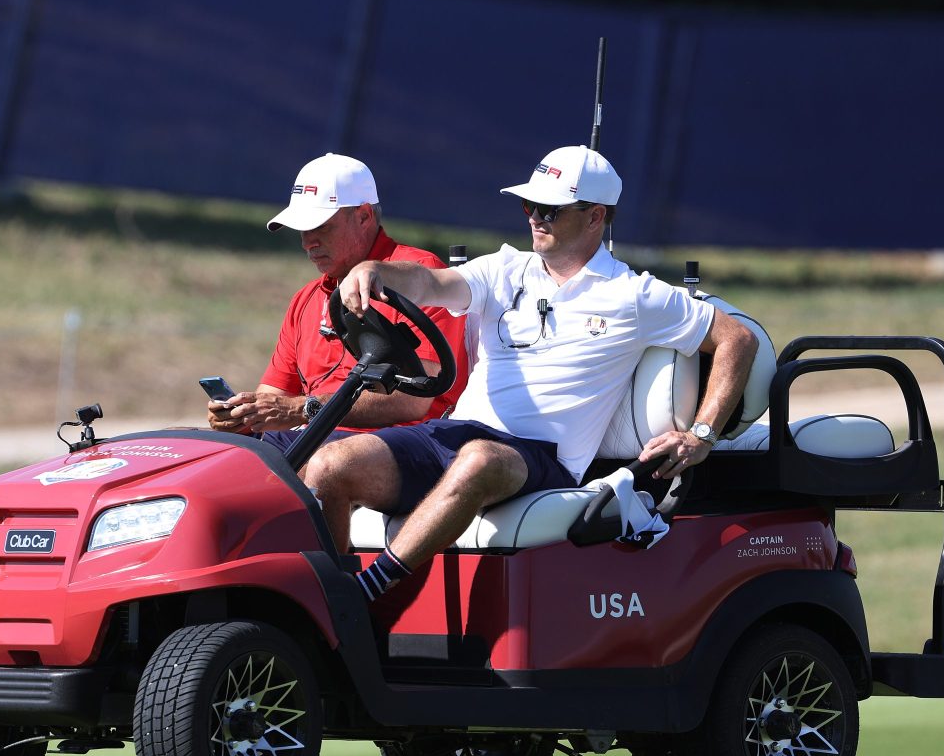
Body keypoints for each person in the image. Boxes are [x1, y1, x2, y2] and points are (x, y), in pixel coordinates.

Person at [303, 145, 759, 601]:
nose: (534, 218)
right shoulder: (504, 269)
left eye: (550, 210)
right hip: (457, 434)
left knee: (479, 459)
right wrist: (374, 269)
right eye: (529, 206)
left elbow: (737, 339)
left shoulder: (634, 295)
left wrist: (701, 435)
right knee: (327, 465)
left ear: (595, 216)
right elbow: (429, 283)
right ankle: (328, 609)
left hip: (542, 458)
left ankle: (361, 596)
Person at [206, 153, 470, 454]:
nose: (308, 242)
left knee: (255, 461)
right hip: (318, 445)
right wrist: (242, 414)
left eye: (321, 227)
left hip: (402, 450)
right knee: (182, 445)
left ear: (363, 216)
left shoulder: (420, 276)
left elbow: (412, 400)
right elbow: (274, 397)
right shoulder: (305, 299)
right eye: (303, 229)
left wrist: (301, 409)